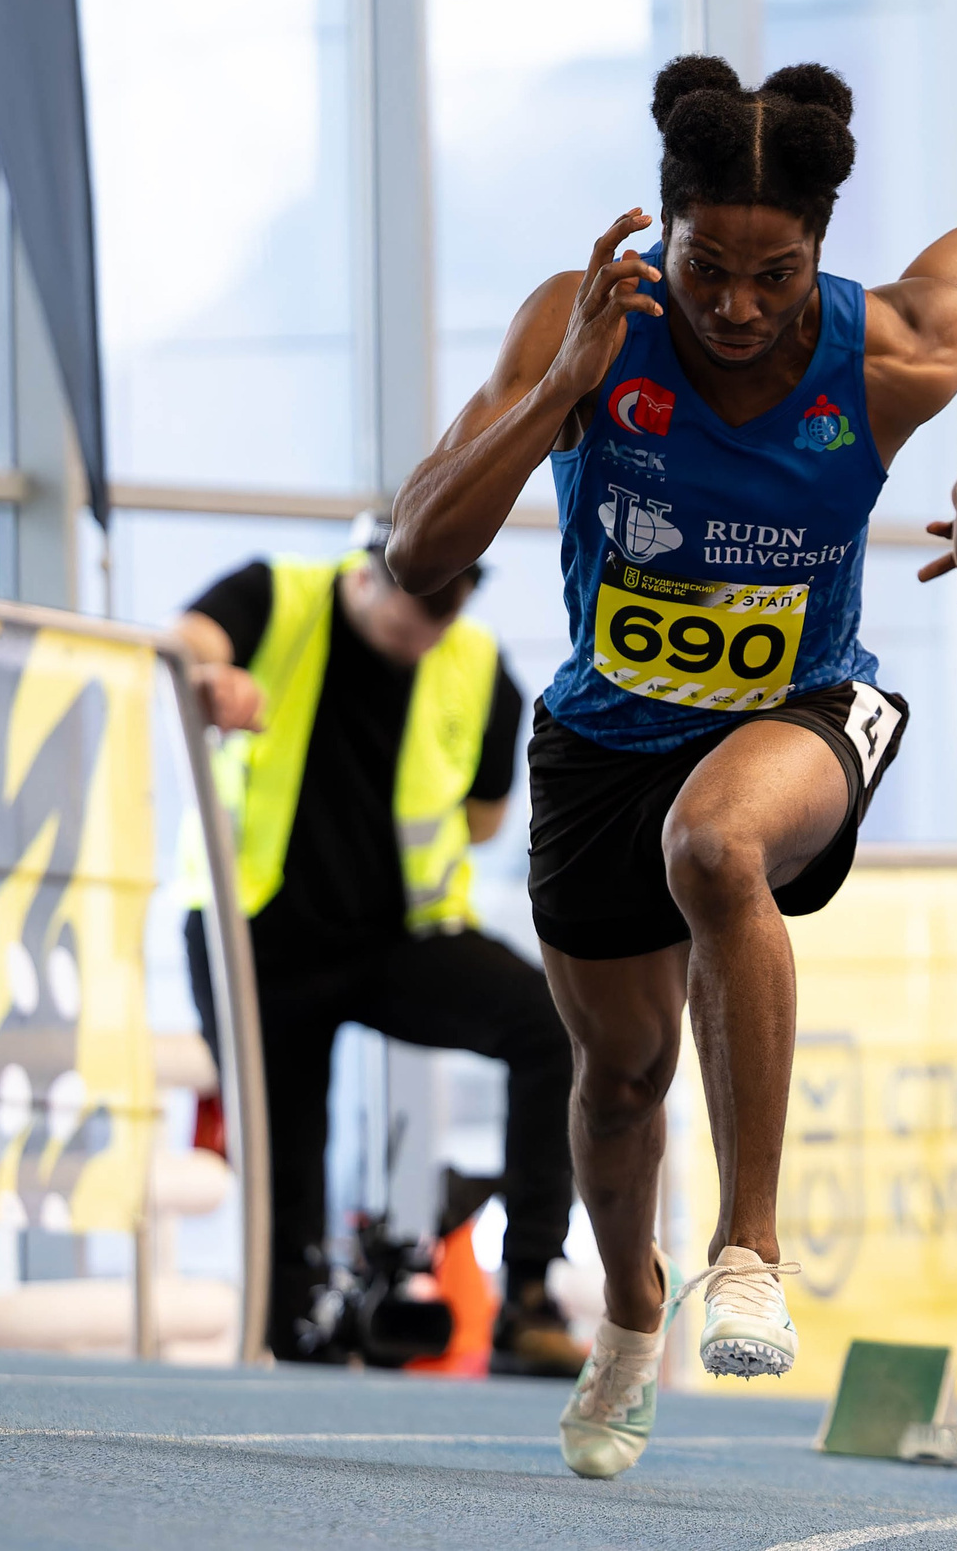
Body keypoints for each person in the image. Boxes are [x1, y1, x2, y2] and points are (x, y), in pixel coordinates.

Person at [385, 54, 957, 1478]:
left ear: (820, 253)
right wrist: (561, 389)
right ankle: (627, 1313)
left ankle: (748, 1248)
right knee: (620, 1078)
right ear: (658, 234)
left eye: (776, 273)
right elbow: (417, 549)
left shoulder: (892, 354)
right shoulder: (587, 325)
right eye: (705, 270)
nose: (736, 307)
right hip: (603, 737)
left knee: (715, 846)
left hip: (802, 713)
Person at [175, 535, 587, 1376]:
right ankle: (293, 1327)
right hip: (261, 934)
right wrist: (214, 680)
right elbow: (189, 639)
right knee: (288, 1152)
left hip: (396, 939)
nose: (427, 627)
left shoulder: (476, 662)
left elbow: (485, 816)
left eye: (448, 605)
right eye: (414, 605)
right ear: (365, 572)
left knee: (550, 1023)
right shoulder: (278, 593)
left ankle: (531, 1289)